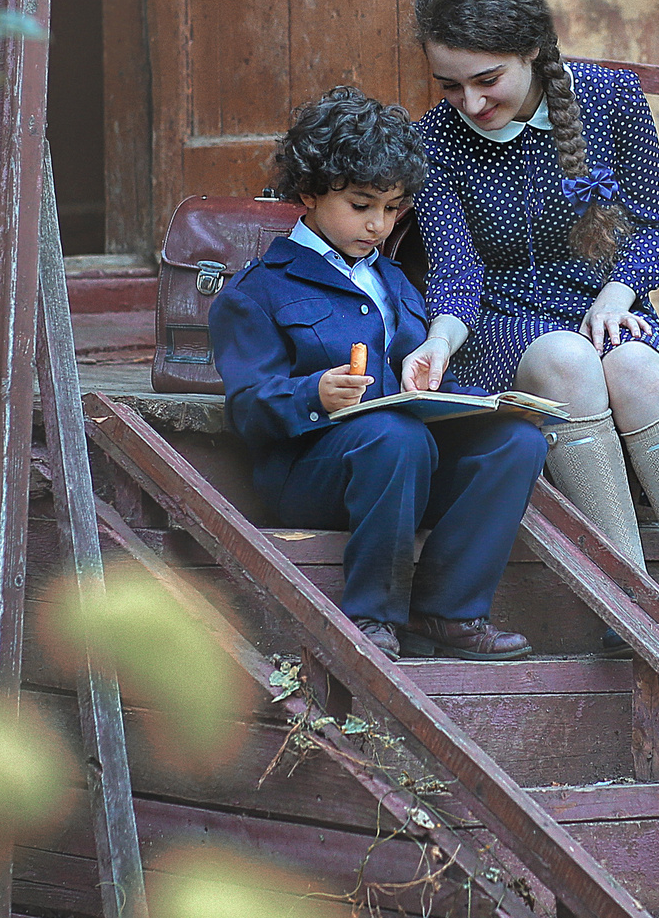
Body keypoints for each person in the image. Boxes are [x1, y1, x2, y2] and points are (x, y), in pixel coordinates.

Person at [399, 0, 659, 650]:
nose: (470, 103)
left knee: (636, 368)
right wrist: (437, 340)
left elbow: (652, 227)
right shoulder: (434, 138)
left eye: (487, 80)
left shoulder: (610, 98)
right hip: (500, 319)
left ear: (531, 50)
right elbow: (457, 272)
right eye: (451, 84)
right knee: (567, 360)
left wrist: (619, 293)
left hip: (600, 299)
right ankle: (628, 598)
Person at [209, 85, 545, 660]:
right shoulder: (256, 291)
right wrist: (314, 392)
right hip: (313, 477)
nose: (379, 225)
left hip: (405, 465)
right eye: (362, 206)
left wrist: (458, 391)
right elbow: (248, 406)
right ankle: (372, 615)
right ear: (309, 194)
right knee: (395, 437)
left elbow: (406, 381)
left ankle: (448, 611)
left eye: (393, 209)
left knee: (516, 441)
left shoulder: (392, 280)